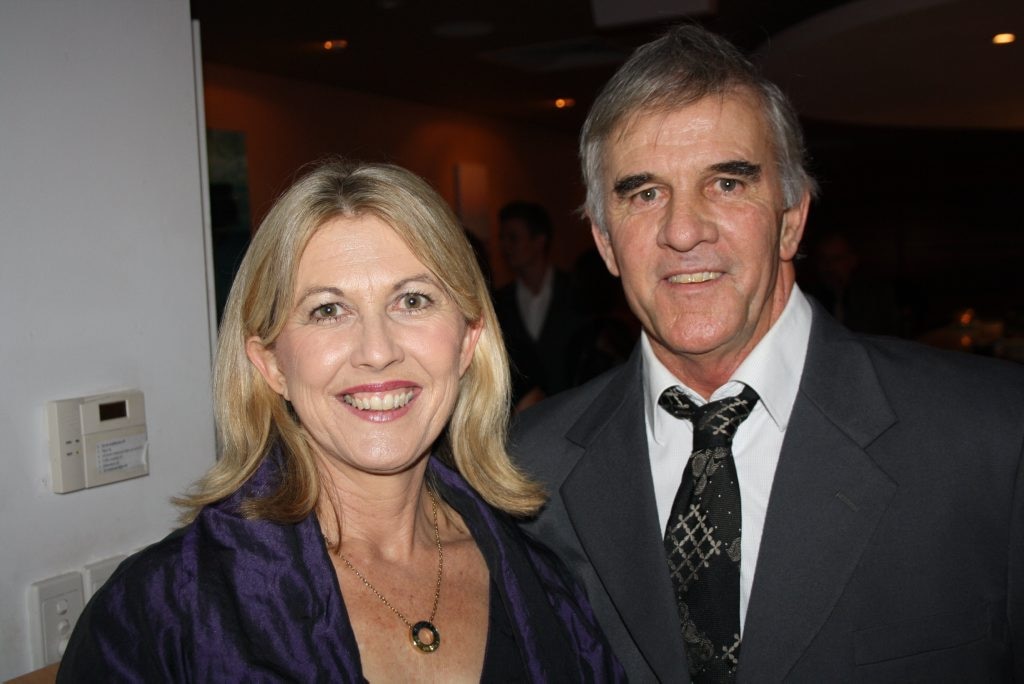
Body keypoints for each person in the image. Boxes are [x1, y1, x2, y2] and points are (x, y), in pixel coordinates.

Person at [511, 24, 1024, 682]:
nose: (684, 230)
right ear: (607, 243)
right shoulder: (525, 475)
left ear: (791, 218)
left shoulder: (991, 440)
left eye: (726, 184)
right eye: (644, 194)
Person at [58, 160, 623, 681]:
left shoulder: (546, 582)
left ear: (468, 340)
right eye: (328, 310)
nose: (377, 351)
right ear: (271, 363)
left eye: (413, 301)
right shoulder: (161, 615)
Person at [493, 201, 587, 411]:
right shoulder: (498, 301)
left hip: (578, 412)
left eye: (513, 238)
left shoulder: (575, 291)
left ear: (539, 241)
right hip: (527, 425)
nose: (505, 246)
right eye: (502, 238)